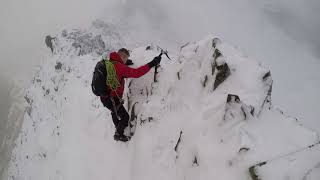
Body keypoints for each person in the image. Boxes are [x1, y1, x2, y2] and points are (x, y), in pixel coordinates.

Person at [100, 48, 161, 142]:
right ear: (122, 56)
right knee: (125, 117)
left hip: (105, 97)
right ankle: (118, 134)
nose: (125, 61)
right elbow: (136, 73)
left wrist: (124, 63)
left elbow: (116, 72)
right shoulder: (120, 67)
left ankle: (118, 128)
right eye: (125, 58)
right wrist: (151, 64)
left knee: (114, 112)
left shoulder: (110, 63)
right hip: (112, 98)